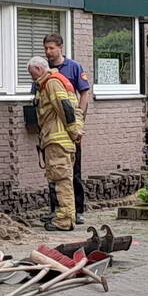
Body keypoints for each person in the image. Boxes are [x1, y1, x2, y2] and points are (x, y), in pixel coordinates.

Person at [32, 33, 91, 224]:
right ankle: (58, 211)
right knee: (56, 174)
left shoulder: (71, 68)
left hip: (66, 133)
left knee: (71, 173)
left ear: (60, 48)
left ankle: (75, 212)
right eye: (46, 48)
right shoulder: (45, 74)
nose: (48, 52)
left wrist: (78, 126)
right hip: (54, 134)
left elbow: (78, 98)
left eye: (51, 48)